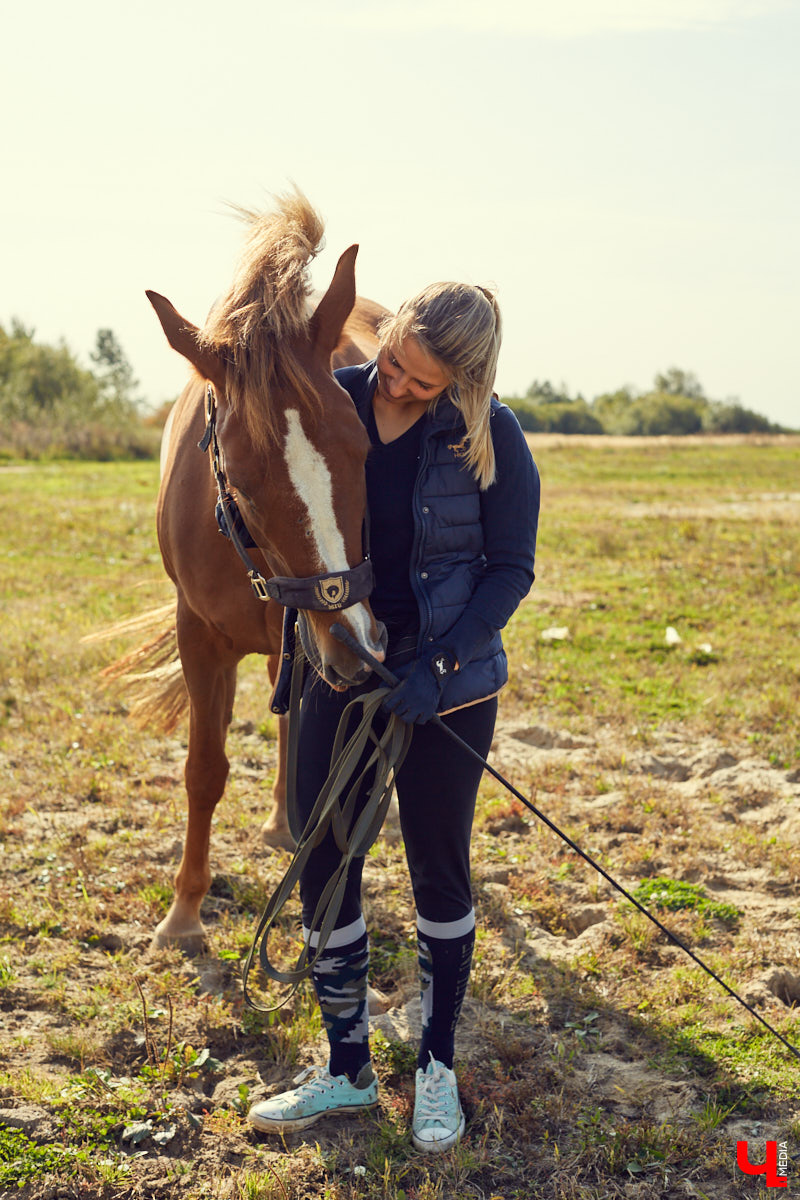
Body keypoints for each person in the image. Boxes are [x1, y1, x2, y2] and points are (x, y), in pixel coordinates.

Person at [247, 282, 540, 1152]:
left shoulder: (494, 436)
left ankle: (436, 1066)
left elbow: (510, 569)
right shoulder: (326, 402)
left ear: (468, 378)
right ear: (393, 332)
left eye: (425, 383)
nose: (401, 387)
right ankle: (345, 1069)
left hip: (447, 685)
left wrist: (440, 666)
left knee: (438, 871)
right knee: (324, 858)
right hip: (335, 673)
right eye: (397, 365)